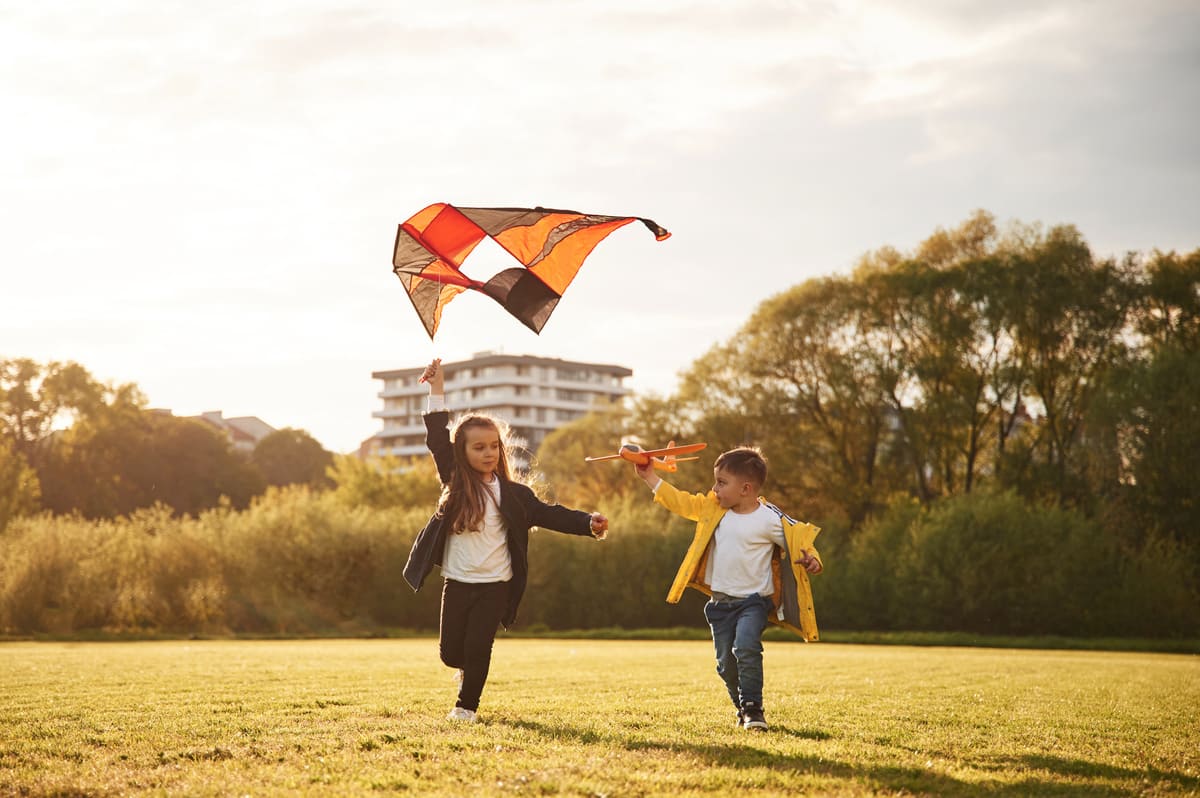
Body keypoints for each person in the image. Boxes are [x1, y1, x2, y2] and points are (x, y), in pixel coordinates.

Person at [402, 358, 609, 723]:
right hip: (458, 581)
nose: (488, 453)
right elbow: (436, 438)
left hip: (496, 584)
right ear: (462, 452)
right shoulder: (455, 482)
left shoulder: (515, 495)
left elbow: (550, 514)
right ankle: (464, 670)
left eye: (493, 446)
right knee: (451, 653)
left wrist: (587, 522)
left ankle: (466, 706)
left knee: (479, 646)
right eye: (479, 447)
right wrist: (437, 389)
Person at [633, 445, 822, 731]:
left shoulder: (769, 519)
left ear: (746, 488)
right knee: (725, 664)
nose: (714, 489)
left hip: (754, 602)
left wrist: (812, 559)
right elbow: (682, 502)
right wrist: (650, 477)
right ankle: (742, 707)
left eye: (721, 483)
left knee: (745, 647)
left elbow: (800, 538)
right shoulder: (714, 509)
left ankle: (753, 709)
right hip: (720, 604)